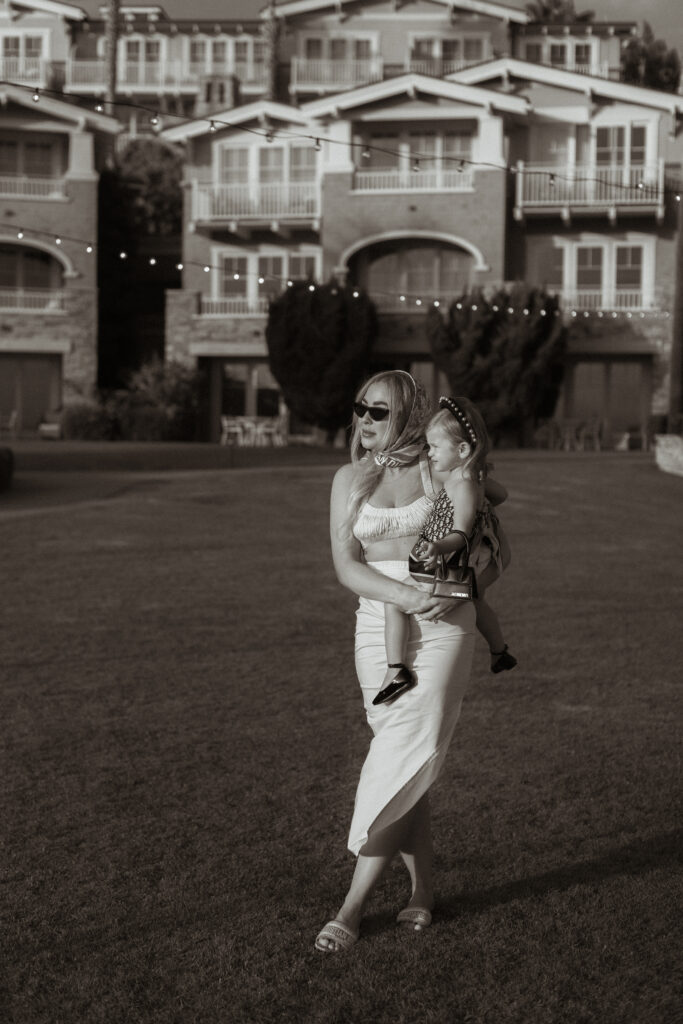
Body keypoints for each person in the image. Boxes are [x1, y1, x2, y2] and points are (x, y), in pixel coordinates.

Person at [315, 370, 478, 954]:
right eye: (360, 406)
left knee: (399, 752)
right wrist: (403, 596)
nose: (364, 418)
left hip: (441, 629)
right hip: (376, 630)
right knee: (406, 759)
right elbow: (345, 565)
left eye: (378, 411)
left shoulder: (437, 469)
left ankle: (351, 907)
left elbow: (476, 518)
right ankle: (423, 891)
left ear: (408, 415)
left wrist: (452, 577)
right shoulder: (348, 477)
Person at [377, 396, 516, 705]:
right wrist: (482, 486)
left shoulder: (463, 481)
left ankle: (396, 668)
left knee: (393, 598)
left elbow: (461, 533)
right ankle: (499, 651)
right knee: (477, 600)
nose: (430, 453)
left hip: (442, 565)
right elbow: (502, 494)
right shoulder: (467, 477)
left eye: (435, 447)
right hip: (450, 564)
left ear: (462, 450)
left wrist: (437, 546)